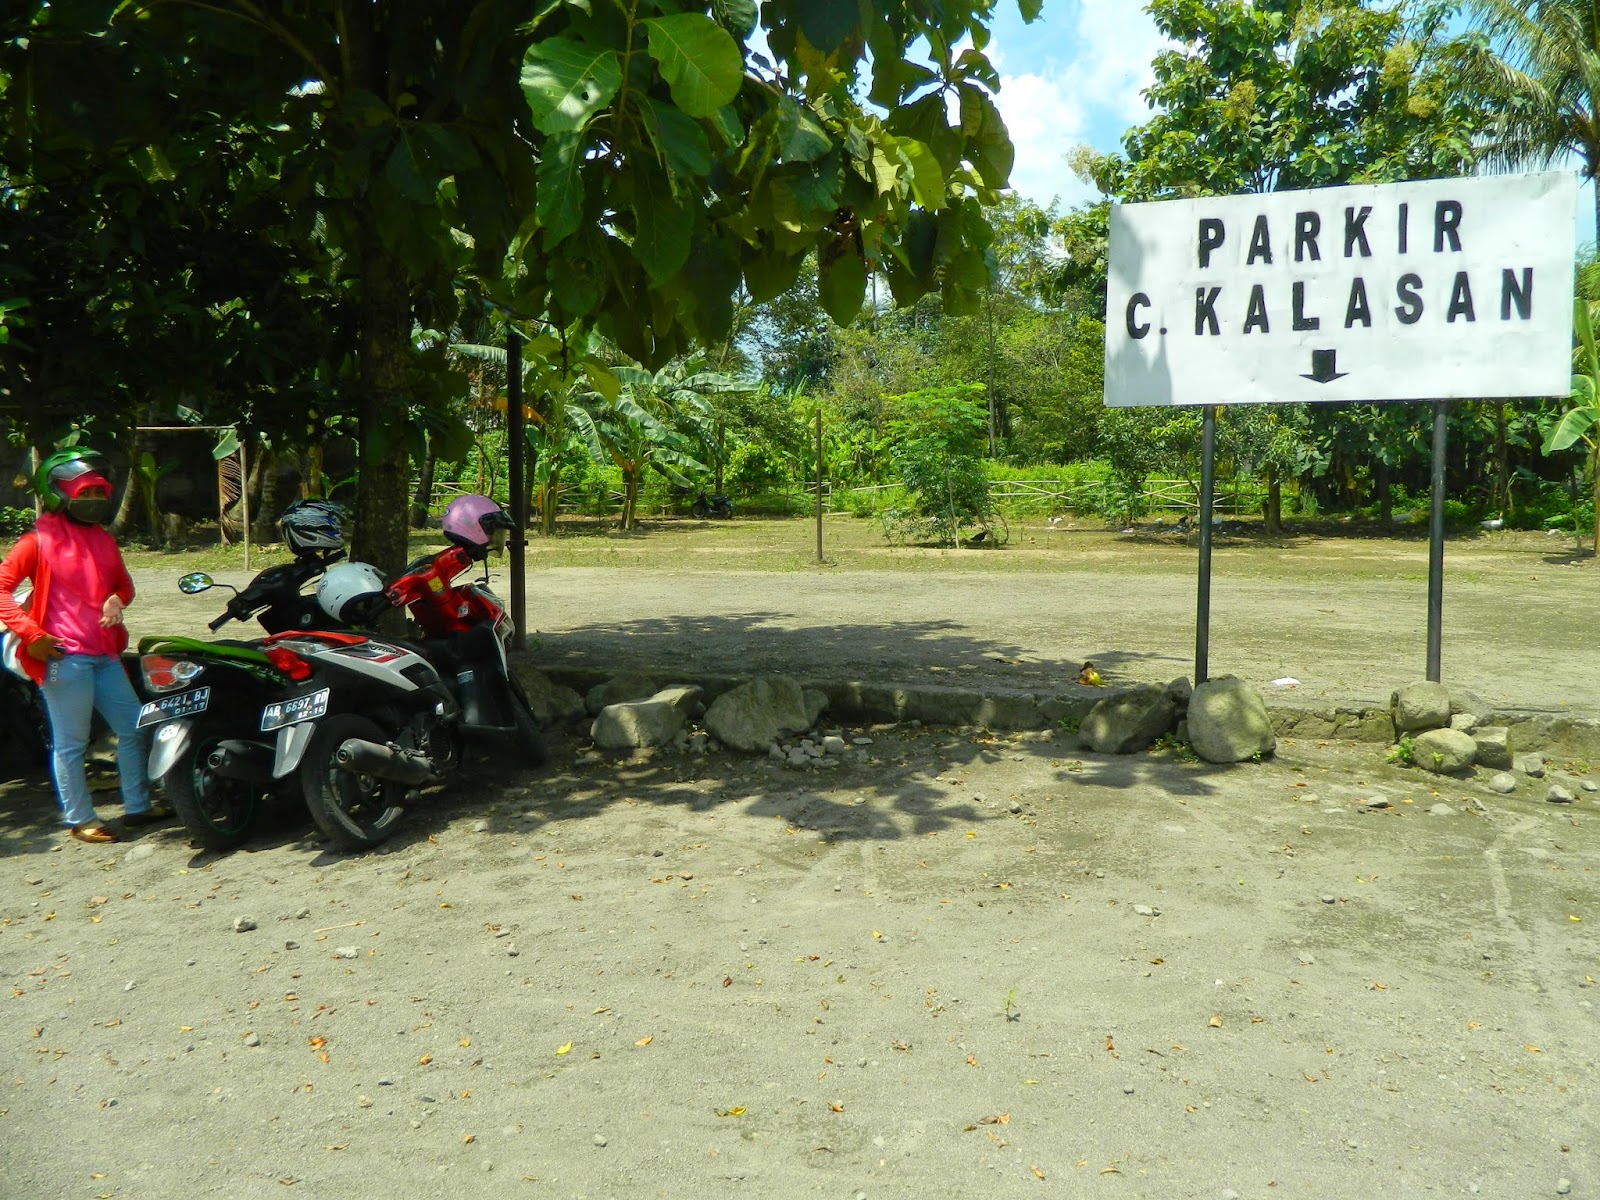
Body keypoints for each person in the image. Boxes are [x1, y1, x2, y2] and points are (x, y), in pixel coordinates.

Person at [0, 448, 168, 843]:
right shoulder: (36, 542)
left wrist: (116, 600)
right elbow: (2, 590)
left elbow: (123, 585)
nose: (94, 501)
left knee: (134, 728)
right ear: (58, 492)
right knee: (71, 742)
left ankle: (138, 806)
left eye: (99, 493)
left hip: (104, 655)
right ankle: (80, 819)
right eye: (85, 493)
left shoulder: (103, 540)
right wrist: (31, 634)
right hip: (64, 658)